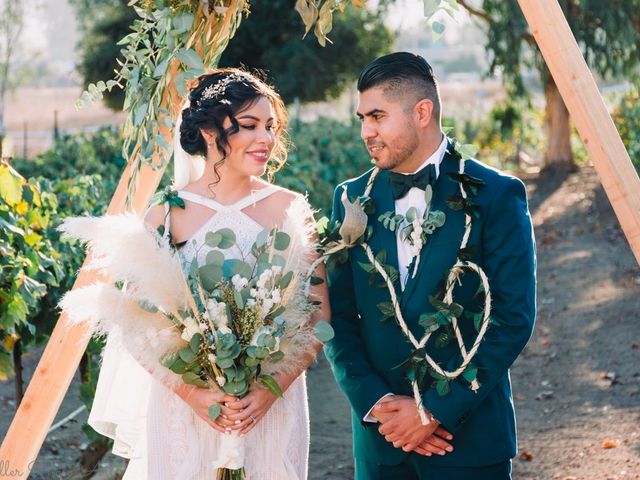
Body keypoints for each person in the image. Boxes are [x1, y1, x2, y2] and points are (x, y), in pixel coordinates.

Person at [88, 68, 329, 479]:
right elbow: (136, 327)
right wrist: (194, 394)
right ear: (209, 131)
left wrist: (270, 392)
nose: (266, 140)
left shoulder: (290, 209)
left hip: (268, 406)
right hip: (184, 410)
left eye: (270, 127)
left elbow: (319, 316)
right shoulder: (165, 214)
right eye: (249, 126)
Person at [324, 52, 536, 479]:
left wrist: (436, 409)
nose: (367, 131)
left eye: (378, 116)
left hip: (469, 443)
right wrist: (378, 407)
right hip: (381, 444)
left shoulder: (495, 195)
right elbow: (335, 319)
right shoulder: (350, 199)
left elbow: (513, 318)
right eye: (363, 118)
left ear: (422, 112)